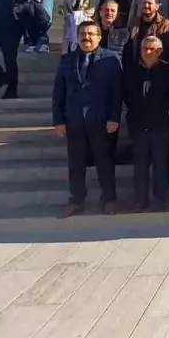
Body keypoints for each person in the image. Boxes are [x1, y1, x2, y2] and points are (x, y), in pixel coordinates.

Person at [52, 20, 122, 217]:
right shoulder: (67, 60)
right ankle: (76, 200)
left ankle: (109, 199)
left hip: (101, 121)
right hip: (74, 120)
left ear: (99, 37)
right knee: (76, 163)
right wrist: (58, 120)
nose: (86, 37)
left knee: (104, 161)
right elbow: (59, 92)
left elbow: (117, 92)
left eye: (91, 34)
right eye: (83, 34)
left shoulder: (110, 59)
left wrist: (114, 117)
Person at [123, 34, 169, 211]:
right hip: (138, 124)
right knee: (140, 165)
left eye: (151, 49)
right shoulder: (132, 70)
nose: (147, 52)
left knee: (161, 164)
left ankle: (160, 199)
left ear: (159, 51)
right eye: (144, 48)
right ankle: (140, 200)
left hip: (161, 124)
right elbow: (126, 94)